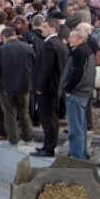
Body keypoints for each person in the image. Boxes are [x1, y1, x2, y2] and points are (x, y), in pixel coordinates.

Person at [0, 28, 34, 147]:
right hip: (24, 86)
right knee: (24, 112)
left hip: (6, 86)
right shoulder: (28, 48)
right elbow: (35, 66)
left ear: (3, 37)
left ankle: (13, 139)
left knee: (9, 113)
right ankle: (28, 137)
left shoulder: (1, 50)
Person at [32, 17, 69, 157]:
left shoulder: (49, 44)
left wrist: (40, 86)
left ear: (53, 29)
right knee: (53, 117)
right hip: (56, 87)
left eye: (45, 26)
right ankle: (49, 144)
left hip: (48, 88)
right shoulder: (60, 44)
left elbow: (46, 67)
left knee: (47, 117)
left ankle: (48, 147)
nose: (42, 29)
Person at [60, 29, 96, 160]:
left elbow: (78, 74)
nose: (69, 39)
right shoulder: (87, 50)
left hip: (77, 93)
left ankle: (77, 157)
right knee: (81, 125)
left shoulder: (79, 53)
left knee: (75, 128)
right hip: (84, 92)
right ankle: (82, 153)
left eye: (72, 37)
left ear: (80, 39)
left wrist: (69, 89)